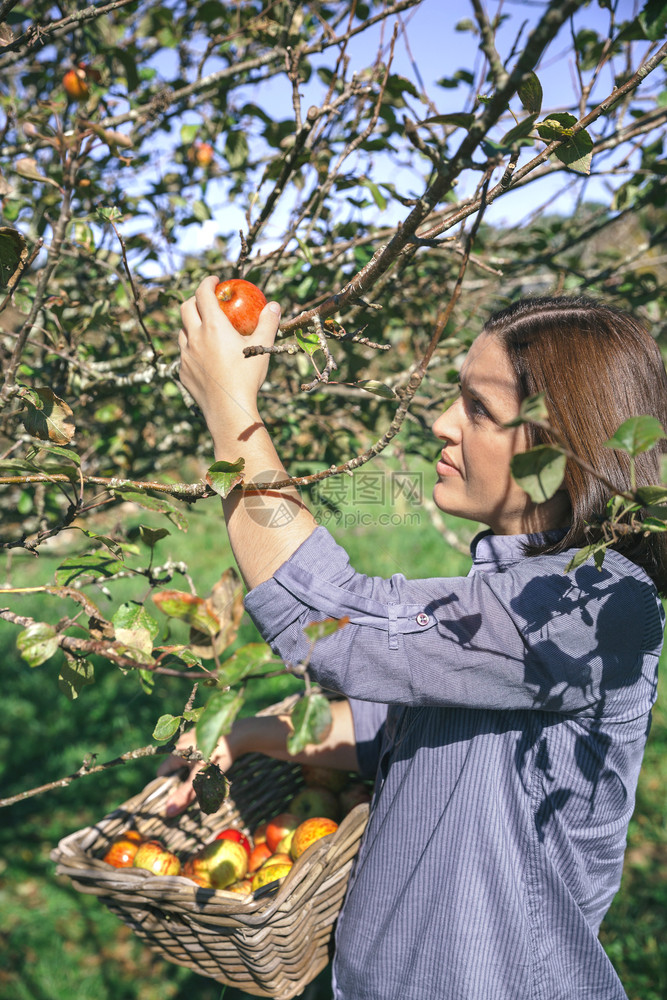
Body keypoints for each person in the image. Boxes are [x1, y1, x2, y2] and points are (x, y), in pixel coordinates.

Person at [161, 283, 667, 1000]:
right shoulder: (518, 594)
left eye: (478, 409)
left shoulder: (592, 605)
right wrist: (245, 735)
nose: (438, 422)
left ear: (556, 451)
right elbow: (416, 722)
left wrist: (230, 413)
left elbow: (330, 621)